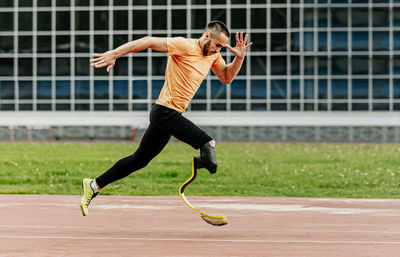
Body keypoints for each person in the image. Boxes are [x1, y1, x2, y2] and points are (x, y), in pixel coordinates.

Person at [80, 20, 252, 216]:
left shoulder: (213, 57)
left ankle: (93, 185)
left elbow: (226, 77)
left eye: (222, 47)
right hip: (164, 112)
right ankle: (201, 157)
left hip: (170, 115)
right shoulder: (184, 46)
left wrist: (239, 59)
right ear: (206, 36)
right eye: (218, 45)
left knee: (139, 160)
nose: (219, 50)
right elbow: (147, 41)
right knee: (206, 143)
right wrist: (115, 53)